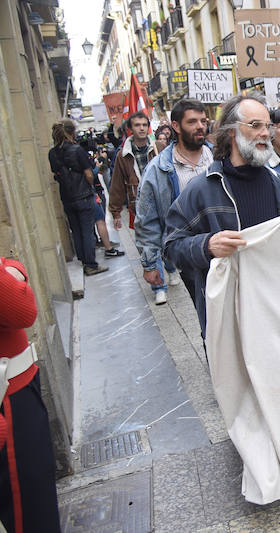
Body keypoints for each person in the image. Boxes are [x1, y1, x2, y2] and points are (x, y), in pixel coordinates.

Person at [164, 93, 280, 519]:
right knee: (248, 397)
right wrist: (206, 244)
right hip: (232, 320)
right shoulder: (203, 190)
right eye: (255, 126)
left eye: (267, 126)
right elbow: (170, 245)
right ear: (230, 133)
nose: (265, 134)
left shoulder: (278, 183)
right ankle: (268, 466)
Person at [0, 258, 61, 533]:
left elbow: (13, 264)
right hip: (7, 402)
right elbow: (21, 309)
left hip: (15, 392)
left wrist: (14, 270)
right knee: (30, 513)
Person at [135, 98, 212, 306]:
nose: (200, 127)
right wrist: (150, 264)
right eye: (192, 122)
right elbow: (147, 219)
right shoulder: (158, 170)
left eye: (203, 121)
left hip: (225, 249)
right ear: (176, 126)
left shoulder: (220, 156)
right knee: (208, 316)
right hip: (189, 255)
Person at [48, 119, 108, 276]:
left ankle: (83, 259)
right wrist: (89, 185)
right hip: (83, 195)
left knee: (76, 230)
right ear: (71, 132)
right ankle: (91, 264)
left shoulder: (52, 153)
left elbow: (56, 173)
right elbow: (88, 173)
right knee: (87, 230)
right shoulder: (77, 150)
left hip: (67, 197)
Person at [110, 112, 158, 231]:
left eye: (144, 125)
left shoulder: (159, 148)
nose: (142, 128)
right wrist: (116, 212)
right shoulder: (123, 155)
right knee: (147, 245)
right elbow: (117, 184)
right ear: (130, 128)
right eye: (137, 125)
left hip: (161, 203)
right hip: (140, 207)